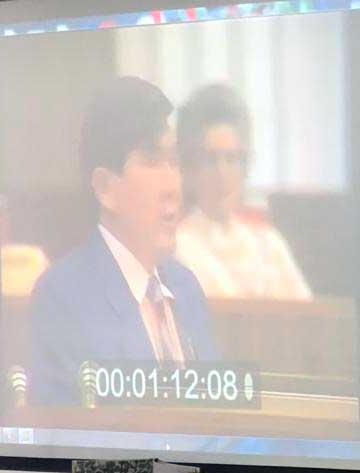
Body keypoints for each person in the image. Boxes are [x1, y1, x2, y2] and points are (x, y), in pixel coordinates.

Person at [28, 76, 218, 405]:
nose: (174, 187)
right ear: (105, 188)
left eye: (174, 162)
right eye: (152, 162)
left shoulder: (186, 288)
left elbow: (221, 417)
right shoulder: (63, 298)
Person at [175, 83, 311, 300]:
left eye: (232, 159)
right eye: (211, 160)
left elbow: (309, 313)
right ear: (189, 168)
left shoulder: (270, 245)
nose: (222, 173)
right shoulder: (177, 250)